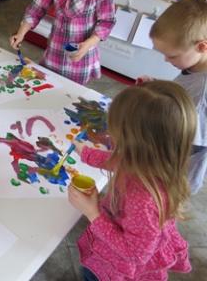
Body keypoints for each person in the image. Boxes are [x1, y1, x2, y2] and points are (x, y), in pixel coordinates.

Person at [69, 81, 196, 281]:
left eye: (116, 135)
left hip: (117, 267)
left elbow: (135, 254)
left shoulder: (143, 200)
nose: (110, 136)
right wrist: (85, 153)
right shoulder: (155, 161)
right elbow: (120, 161)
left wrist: (92, 212)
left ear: (137, 146)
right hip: (120, 234)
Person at [138, 0, 207, 194]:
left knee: (154, 214)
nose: (167, 60)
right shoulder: (195, 67)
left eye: (173, 56)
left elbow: (187, 144)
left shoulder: (201, 92)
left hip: (173, 175)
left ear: (202, 47)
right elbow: (181, 90)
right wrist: (157, 86)